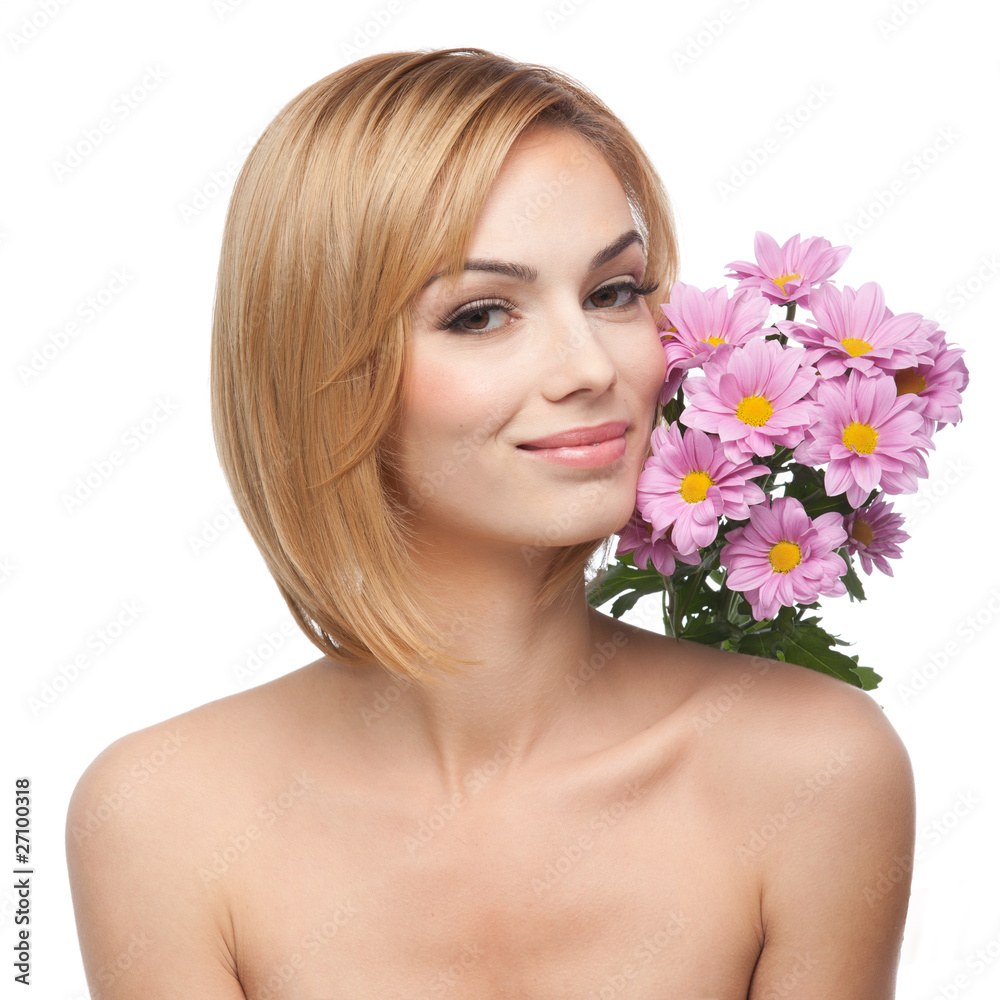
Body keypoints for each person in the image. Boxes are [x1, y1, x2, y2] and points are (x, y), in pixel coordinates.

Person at [66, 48, 915, 998]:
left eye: (613, 292)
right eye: (480, 314)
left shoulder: (813, 770)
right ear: (320, 368)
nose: (590, 366)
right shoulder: (162, 818)